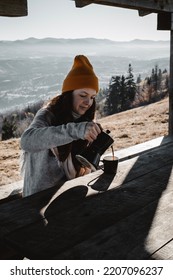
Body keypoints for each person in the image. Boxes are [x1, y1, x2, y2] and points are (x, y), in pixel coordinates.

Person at [20, 55, 102, 197]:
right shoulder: (48, 114)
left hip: (71, 193)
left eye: (92, 97)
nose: (88, 102)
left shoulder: (85, 120)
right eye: (83, 95)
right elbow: (27, 141)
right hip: (39, 197)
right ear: (69, 94)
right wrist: (76, 131)